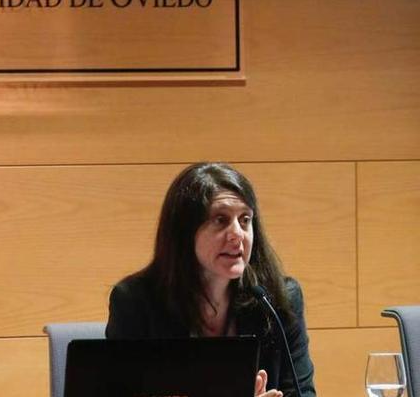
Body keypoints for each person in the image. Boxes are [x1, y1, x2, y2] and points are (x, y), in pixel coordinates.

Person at [106, 162, 316, 397]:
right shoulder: (136, 303)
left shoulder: (278, 299)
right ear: (184, 232)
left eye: (245, 220)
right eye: (220, 220)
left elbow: (302, 392)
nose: (238, 234)